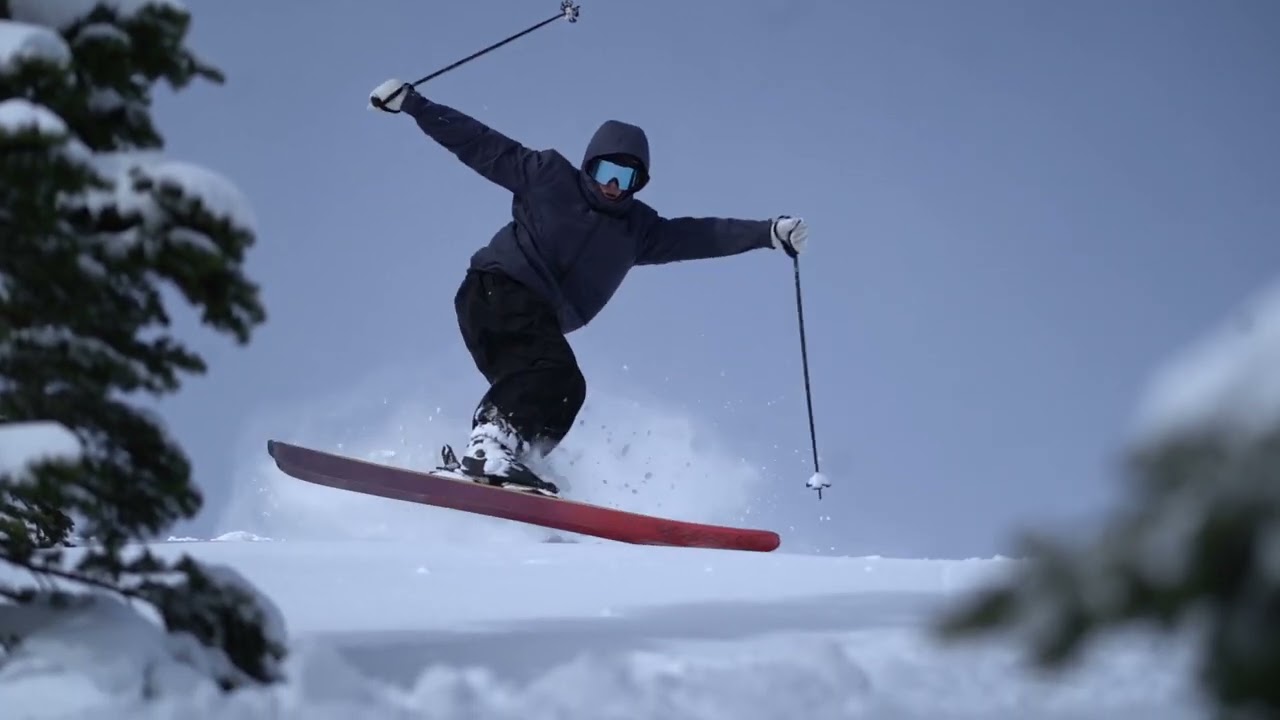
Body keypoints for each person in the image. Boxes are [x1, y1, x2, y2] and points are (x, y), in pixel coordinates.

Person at [369, 78, 810, 496]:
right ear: (589, 164)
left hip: (532, 320)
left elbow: (703, 235)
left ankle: (513, 459)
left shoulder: (639, 231)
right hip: (498, 290)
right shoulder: (546, 176)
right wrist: (415, 105)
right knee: (550, 370)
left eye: (627, 178)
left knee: (566, 389)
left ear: (639, 184)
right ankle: (490, 446)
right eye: (607, 171)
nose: (613, 186)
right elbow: (479, 143)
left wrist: (767, 233)